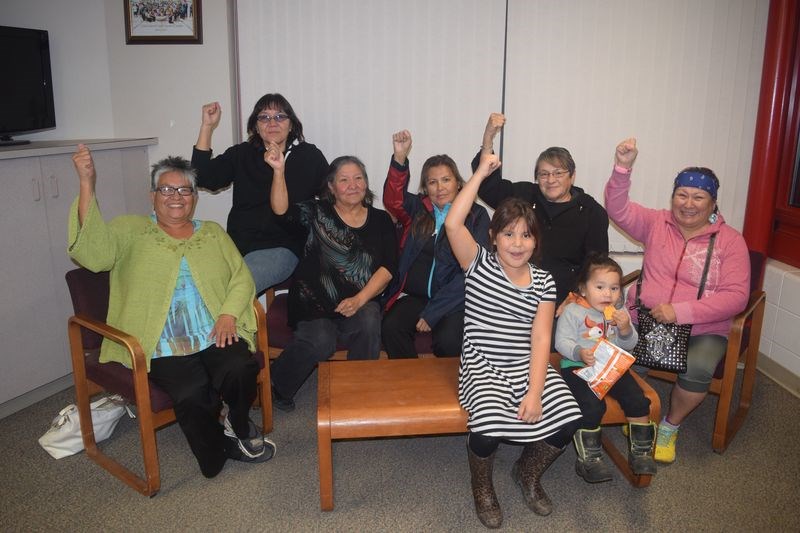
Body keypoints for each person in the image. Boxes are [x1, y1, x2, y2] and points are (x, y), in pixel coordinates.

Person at [68, 145, 275, 479]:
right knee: (192, 394)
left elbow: (241, 277)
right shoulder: (130, 230)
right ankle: (218, 452)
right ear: (152, 196)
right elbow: (95, 254)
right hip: (161, 341)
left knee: (239, 368)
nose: (176, 196)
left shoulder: (212, 233)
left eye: (184, 190)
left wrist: (228, 315)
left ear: (194, 197)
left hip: (214, 330)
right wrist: (87, 183)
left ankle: (237, 425)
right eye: (166, 189)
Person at [445, 151, 582, 529]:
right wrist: (479, 174)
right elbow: (454, 223)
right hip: (482, 366)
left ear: (536, 241)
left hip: (523, 364)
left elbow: (541, 339)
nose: (517, 243)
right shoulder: (478, 264)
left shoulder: (544, 281)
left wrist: (535, 391)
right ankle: (482, 486)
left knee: (568, 419)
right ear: (493, 237)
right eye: (508, 233)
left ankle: (527, 473)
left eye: (526, 234)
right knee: (487, 429)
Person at [605, 138, 750, 464]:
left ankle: (670, 426)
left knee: (697, 370)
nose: (688, 203)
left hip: (703, 329)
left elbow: (737, 296)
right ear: (672, 197)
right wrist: (622, 168)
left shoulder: (731, 242)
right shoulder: (657, 223)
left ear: (713, 203)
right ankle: (638, 413)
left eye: (699, 197)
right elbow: (617, 208)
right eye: (681, 194)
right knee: (617, 360)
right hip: (645, 318)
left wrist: (681, 311)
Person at [268, 152, 398, 411]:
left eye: (359, 178)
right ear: (331, 186)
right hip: (313, 303)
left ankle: (358, 390)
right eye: (344, 180)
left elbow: (388, 268)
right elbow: (282, 212)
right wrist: (279, 172)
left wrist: (359, 299)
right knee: (321, 341)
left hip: (358, 301)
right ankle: (277, 384)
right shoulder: (317, 212)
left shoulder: (382, 220)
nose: (353, 185)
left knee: (370, 318)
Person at [192, 94, 329, 294]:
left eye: (280, 116)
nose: (272, 122)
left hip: (282, 247)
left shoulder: (309, 156)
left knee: (234, 289)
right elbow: (202, 177)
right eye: (264, 117)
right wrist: (206, 127)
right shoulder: (241, 154)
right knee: (199, 283)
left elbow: (333, 197)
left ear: (291, 125)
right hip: (238, 246)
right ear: (256, 126)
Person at [473, 113, 609, 307]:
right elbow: (488, 188)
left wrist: (577, 298)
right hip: (516, 292)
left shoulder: (591, 212)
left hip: (564, 301)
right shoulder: (525, 195)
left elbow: (597, 266)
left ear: (572, 176)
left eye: (558, 173)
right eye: (543, 174)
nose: (550, 180)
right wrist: (487, 141)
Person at [381, 130, 490, 358]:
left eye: (446, 180)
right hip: (415, 296)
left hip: (455, 300)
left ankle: (446, 390)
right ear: (425, 188)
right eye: (432, 182)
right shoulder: (418, 210)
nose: (440, 188)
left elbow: (474, 272)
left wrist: (433, 312)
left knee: (448, 341)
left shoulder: (476, 216)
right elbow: (393, 200)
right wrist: (399, 159)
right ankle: (408, 381)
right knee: (391, 327)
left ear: (459, 183)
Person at [555, 253, 656, 483]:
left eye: (614, 288)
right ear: (583, 288)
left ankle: (641, 453)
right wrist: (579, 352)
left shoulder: (618, 314)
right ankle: (589, 459)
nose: (607, 294)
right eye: (599, 287)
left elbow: (629, 345)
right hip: (578, 367)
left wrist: (624, 330)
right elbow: (561, 342)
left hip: (611, 365)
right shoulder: (573, 311)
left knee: (638, 400)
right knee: (591, 407)